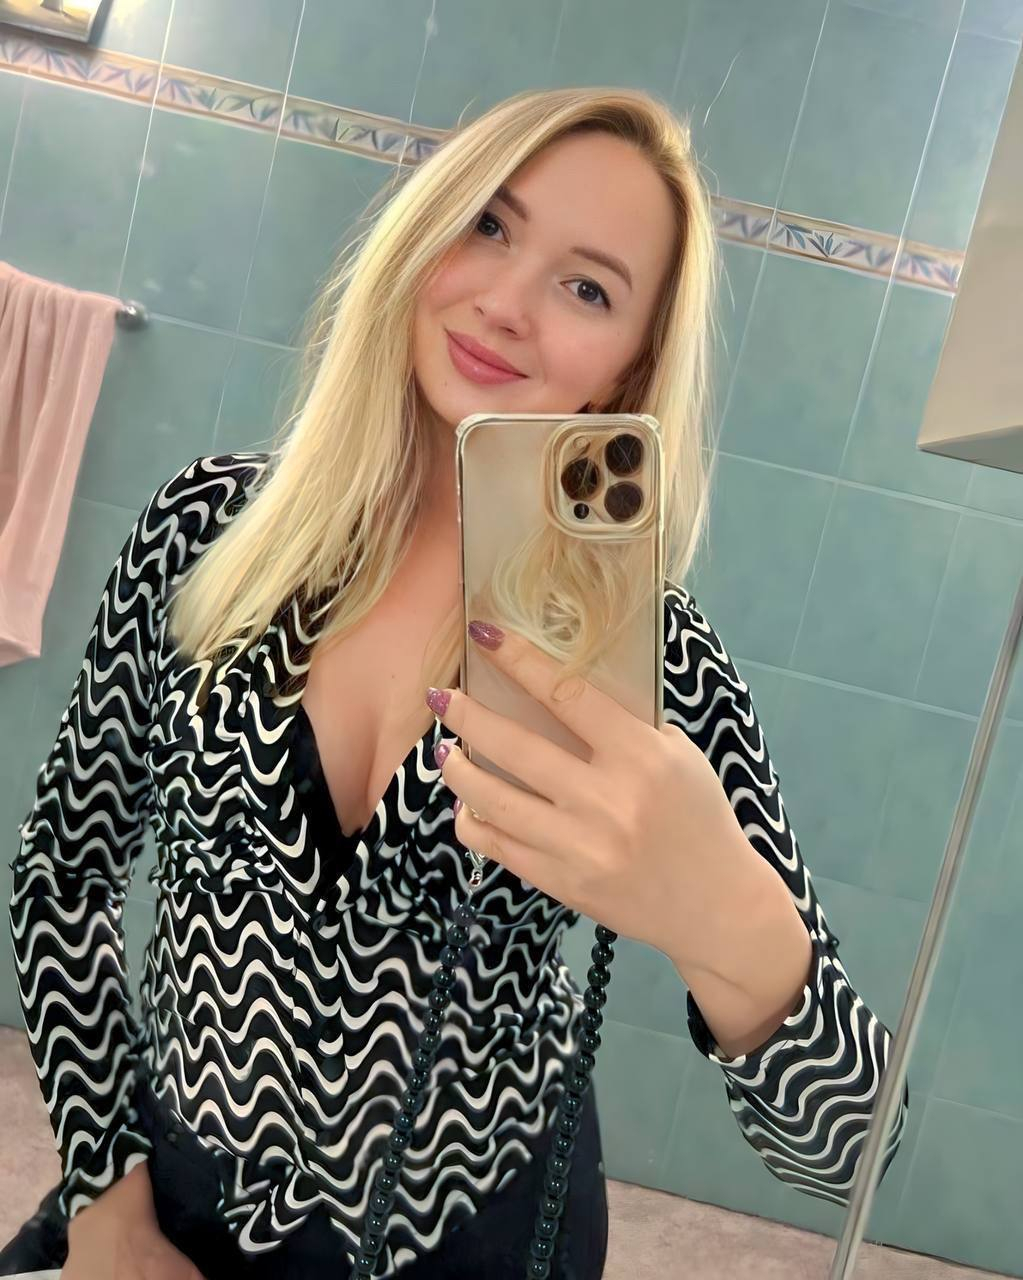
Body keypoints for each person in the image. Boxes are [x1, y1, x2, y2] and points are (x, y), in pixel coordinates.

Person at [3, 87, 908, 1279]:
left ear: (629, 364)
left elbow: (854, 1148)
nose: (507, 302)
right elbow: (63, 874)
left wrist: (724, 915)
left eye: (587, 288)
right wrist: (106, 1204)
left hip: (472, 1238)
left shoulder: (645, 655)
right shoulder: (207, 529)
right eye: (488, 223)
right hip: (164, 1208)